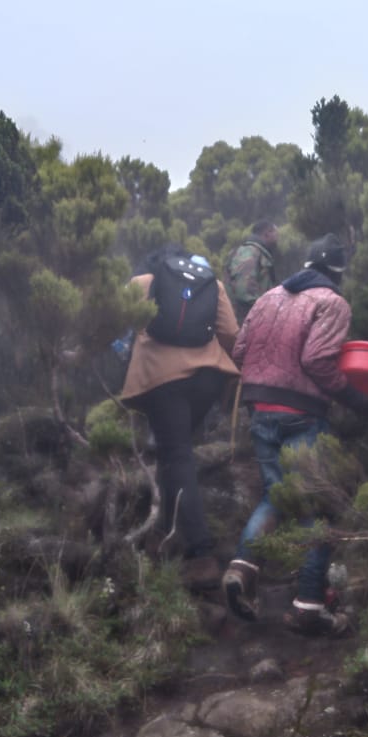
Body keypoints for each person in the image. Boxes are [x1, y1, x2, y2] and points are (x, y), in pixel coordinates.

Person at [221, 232, 368, 636]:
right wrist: (356, 399)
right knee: (318, 506)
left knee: (277, 494)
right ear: (337, 272)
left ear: (308, 264)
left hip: (260, 409)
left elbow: (239, 352)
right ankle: (309, 603)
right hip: (302, 414)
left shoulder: (268, 297)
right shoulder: (332, 302)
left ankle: (242, 568)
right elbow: (316, 360)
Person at [120, 243, 240, 591]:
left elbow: (113, 325)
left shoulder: (141, 283)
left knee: (176, 453)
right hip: (208, 377)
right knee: (175, 452)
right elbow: (231, 334)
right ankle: (163, 534)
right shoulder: (211, 284)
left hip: (163, 381)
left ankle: (201, 555)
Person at [223, 219, 279, 324]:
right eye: (276, 234)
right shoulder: (249, 252)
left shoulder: (259, 253)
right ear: (267, 234)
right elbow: (243, 291)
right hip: (245, 323)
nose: (277, 238)